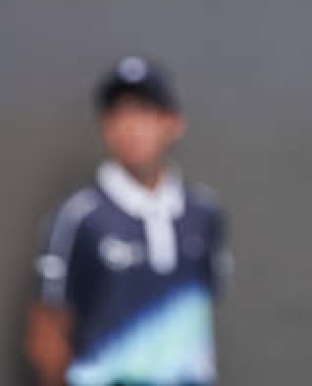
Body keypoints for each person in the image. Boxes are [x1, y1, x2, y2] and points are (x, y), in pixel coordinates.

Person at [25, 56, 229, 386]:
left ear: (173, 122)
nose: (131, 126)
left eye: (144, 111)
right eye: (118, 113)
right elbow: (47, 333)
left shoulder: (204, 214)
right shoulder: (78, 217)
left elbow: (200, 314)